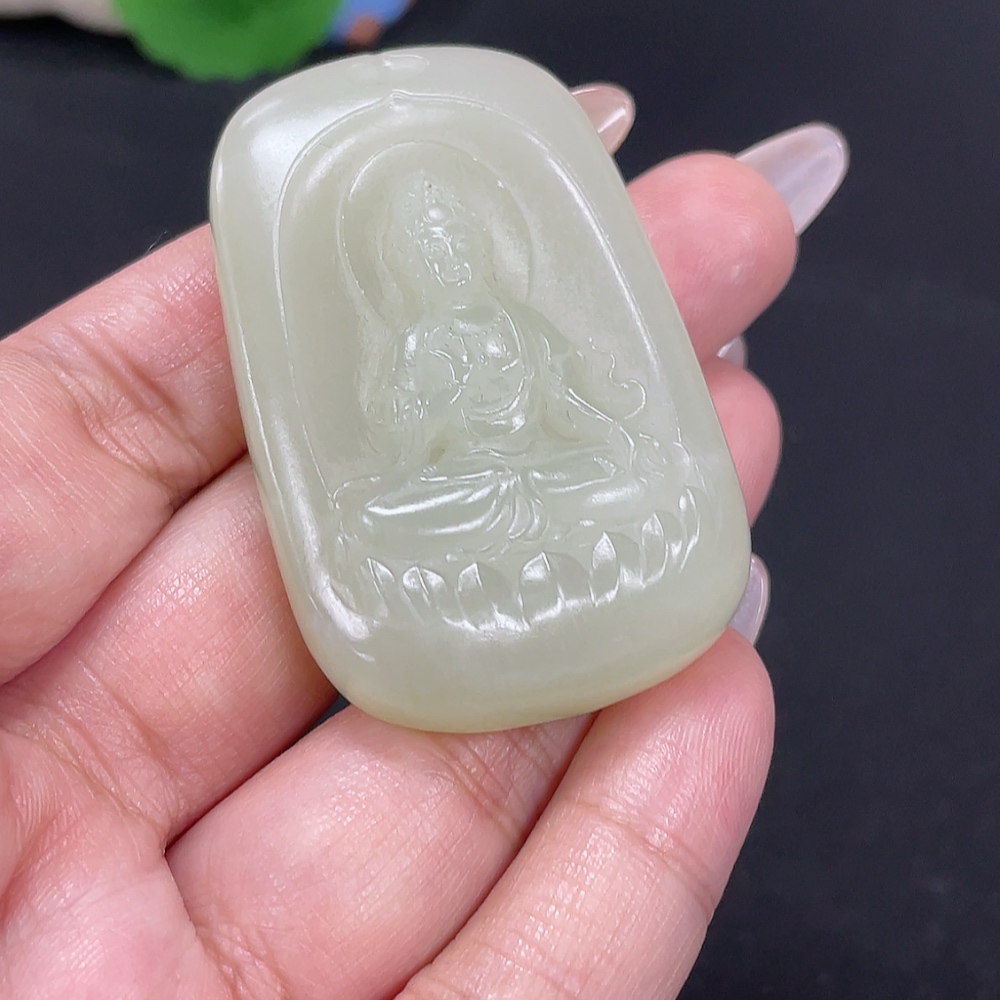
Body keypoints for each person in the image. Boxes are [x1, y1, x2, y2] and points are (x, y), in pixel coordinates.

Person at [0, 118, 843, 997]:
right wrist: (431, 413)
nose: (443, 254)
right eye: (422, 245)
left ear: (480, 245)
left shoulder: (522, 325)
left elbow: (574, 417)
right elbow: (405, 458)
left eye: (453, 236)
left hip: (543, 482)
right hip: (466, 495)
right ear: (399, 267)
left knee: (612, 475)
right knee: (387, 513)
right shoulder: (416, 345)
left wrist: (617, 444)